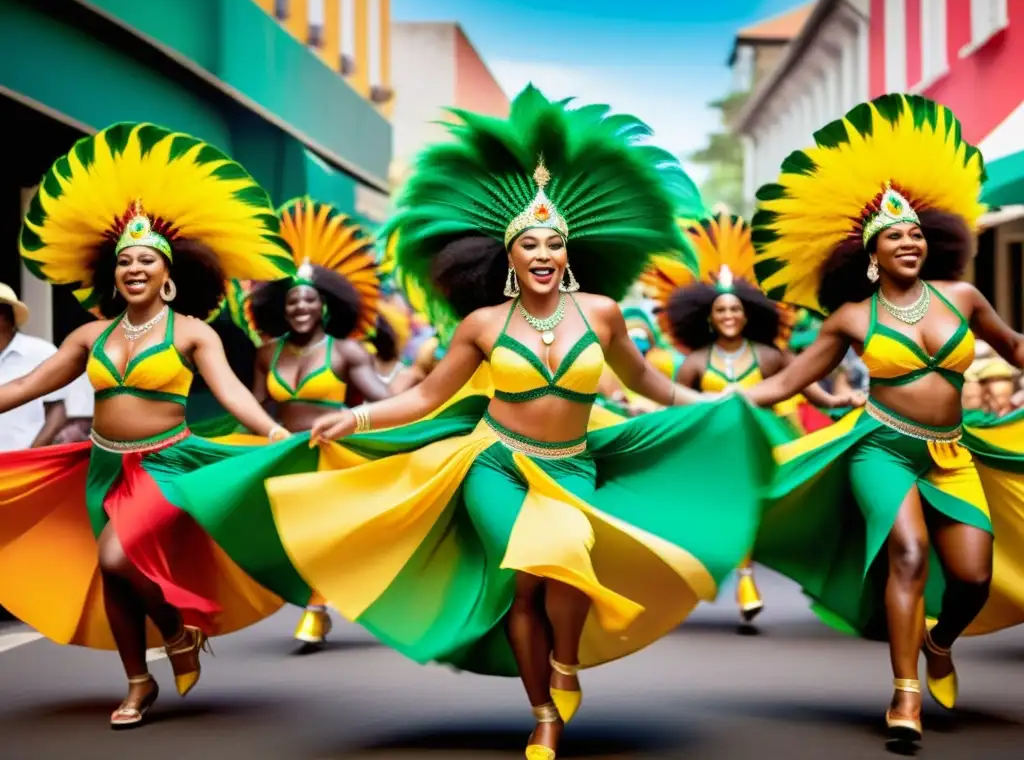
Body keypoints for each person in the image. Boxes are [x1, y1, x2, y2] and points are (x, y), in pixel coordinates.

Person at [205, 85, 777, 760]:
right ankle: (541, 712)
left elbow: (647, 382)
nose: (542, 253)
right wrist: (355, 416)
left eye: (554, 243)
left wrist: (720, 407)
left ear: (569, 254)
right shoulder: (482, 325)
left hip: (575, 464)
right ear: (507, 257)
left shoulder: (602, 315)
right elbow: (424, 400)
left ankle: (564, 665)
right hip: (495, 465)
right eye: (529, 243)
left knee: (565, 573)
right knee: (534, 569)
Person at [743, 94, 1024, 745]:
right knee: (908, 552)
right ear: (871, 253)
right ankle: (904, 695)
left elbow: (1013, 348)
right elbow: (787, 381)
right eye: (895, 235)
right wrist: (713, 404)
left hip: (953, 452)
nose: (909, 241)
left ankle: (941, 639)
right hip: (882, 448)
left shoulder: (963, 298)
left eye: (917, 233)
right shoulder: (851, 318)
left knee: (974, 578)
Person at [0, 122, 298, 729]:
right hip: (102, 465)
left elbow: (234, 391)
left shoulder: (192, 332)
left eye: (146, 261)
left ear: (168, 275)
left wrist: (271, 432)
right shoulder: (89, 336)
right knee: (115, 578)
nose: (134, 267)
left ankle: (175, 632)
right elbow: (28, 385)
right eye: (124, 261)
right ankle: (139, 682)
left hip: (167, 464)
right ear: (112, 275)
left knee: (116, 557)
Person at [643, 210, 856, 627]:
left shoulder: (773, 356)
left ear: (749, 314)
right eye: (721, 309)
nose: (728, 315)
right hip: (711, 454)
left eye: (735, 309)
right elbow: (672, 406)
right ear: (709, 316)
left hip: (766, 448)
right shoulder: (694, 362)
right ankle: (732, 576)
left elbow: (815, 392)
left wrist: (847, 398)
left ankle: (750, 575)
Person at [245, 196, 391, 645]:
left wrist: (427, 403)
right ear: (280, 308)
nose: (301, 308)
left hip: (333, 452)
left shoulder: (348, 352)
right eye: (292, 302)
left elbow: (384, 398)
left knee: (321, 532)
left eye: (309, 300)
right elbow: (254, 403)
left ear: (324, 305)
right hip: (282, 449)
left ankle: (316, 605)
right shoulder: (267, 352)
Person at [0, 283, 67, 449]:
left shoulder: (40, 352)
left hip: (25, 464)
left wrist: (34, 451)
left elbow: (59, 409)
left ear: (5, 316)